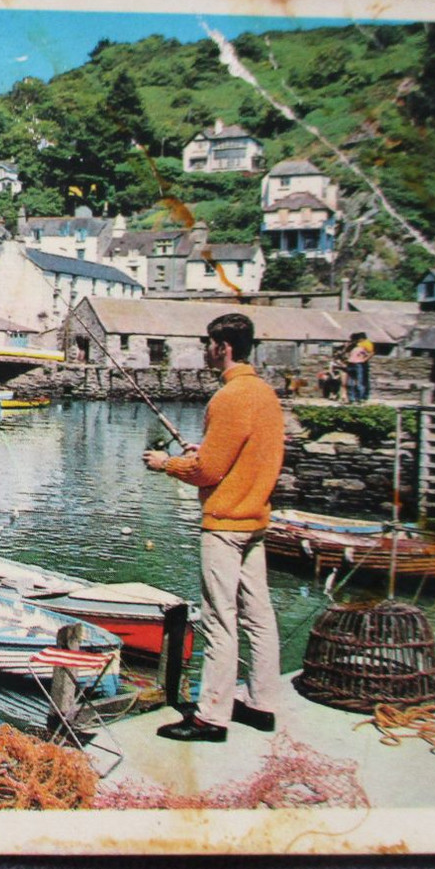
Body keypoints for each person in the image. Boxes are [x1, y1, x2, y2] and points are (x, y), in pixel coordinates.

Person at [142, 313, 286, 743]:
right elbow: (240, 456)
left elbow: (207, 472)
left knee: (220, 620)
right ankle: (262, 705)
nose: (206, 351)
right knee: (259, 616)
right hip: (255, 521)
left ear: (222, 348)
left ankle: (211, 717)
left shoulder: (228, 397)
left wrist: (166, 463)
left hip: (225, 524)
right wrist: (203, 453)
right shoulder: (265, 395)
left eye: (209, 344)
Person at [345, 330, 374, 403]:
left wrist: (364, 360)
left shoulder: (364, 345)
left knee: (359, 381)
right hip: (351, 364)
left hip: (358, 364)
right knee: (350, 382)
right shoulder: (353, 346)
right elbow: (346, 352)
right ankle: (352, 398)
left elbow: (370, 353)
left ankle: (360, 398)